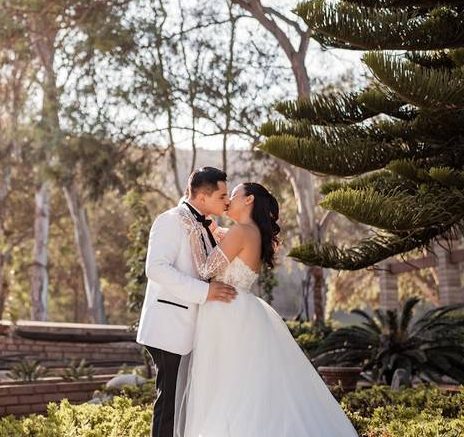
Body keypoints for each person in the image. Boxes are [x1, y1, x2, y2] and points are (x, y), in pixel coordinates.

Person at [177, 182, 358, 437]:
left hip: (226, 311)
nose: (229, 200)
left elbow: (206, 269)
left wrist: (192, 232)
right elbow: (229, 246)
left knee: (226, 385)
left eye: (234, 195)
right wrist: (213, 231)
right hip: (241, 309)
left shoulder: (240, 231)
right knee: (243, 384)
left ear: (249, 199)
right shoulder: (252, 232)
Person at [136, 167, 237, 437]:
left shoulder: (205, 225)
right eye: (223, 195)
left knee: (185, 404)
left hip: (193, 328)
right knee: (169, 403)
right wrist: (205, 292)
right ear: (203, 198)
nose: (227, 201)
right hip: (169, 326)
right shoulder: (169, 220)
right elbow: (156, 268)